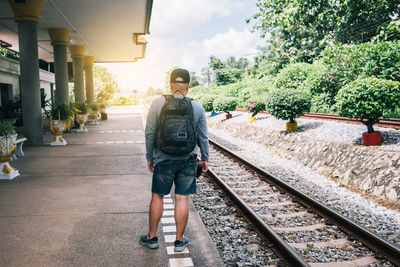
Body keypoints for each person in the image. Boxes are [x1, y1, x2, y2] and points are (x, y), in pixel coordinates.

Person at [140, 68, 209, 252]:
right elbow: (203, 137)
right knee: (181, 199)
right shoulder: (197, 107)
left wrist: (149, 157)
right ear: (188, 85)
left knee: (158, 196)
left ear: (170, 85)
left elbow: (149, 132)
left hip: (163, 159)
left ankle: (152, 238)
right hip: (187, 160)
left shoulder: (158, 103)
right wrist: (205, 159)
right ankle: (179, 241)